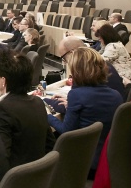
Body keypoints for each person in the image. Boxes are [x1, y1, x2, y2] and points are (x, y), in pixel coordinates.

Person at [47, 47, 123, 177]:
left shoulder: (77, 95)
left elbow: (66, 131)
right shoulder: (116, 95)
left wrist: (47, 116)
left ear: (77, 70)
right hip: (109, 158)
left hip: (87, 163)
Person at [0, 50, 55, 168]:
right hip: (38, 174)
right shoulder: (38, 102)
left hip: (14, 179)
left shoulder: (2, 109)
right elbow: (50, 144)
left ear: (3, 80)